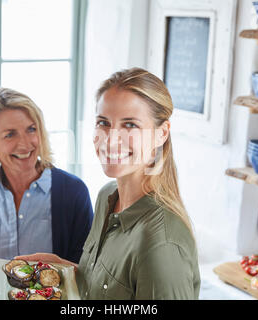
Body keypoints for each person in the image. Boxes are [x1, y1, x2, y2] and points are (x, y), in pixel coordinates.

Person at [17, 67, 200, 300]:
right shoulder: (107, 196)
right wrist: (64, 270)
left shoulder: (160, 243)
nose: (111, 140)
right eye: (103, 122)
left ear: (161, 133)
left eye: (130, 125)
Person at [0, 87, 93, 300]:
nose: (25, 144)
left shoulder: (73, 192)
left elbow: (89, 275)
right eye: (10, 134)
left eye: (31, 129)